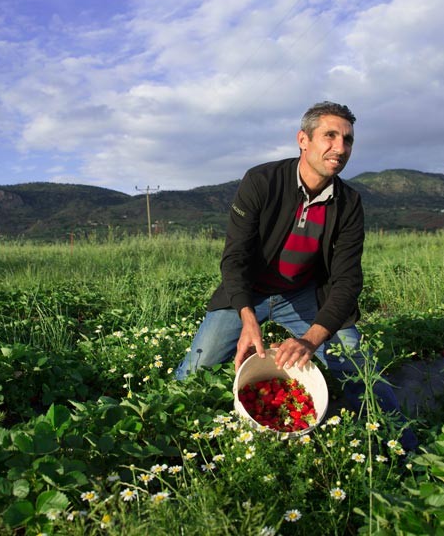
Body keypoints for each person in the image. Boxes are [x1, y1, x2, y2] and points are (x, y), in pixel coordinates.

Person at [174, 101, 416, 450]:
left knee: (359, 369)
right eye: (329, 136)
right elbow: (235, 258)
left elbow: (347, 281)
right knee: (195, 370)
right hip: (248, 292)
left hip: (303, 294)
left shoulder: (349, 203)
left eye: (347, 140)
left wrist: (312, 339)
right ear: (303, 139)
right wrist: (246, 317)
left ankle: (404, 453)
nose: (340, 148)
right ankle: (179, 444)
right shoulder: (262, 181)